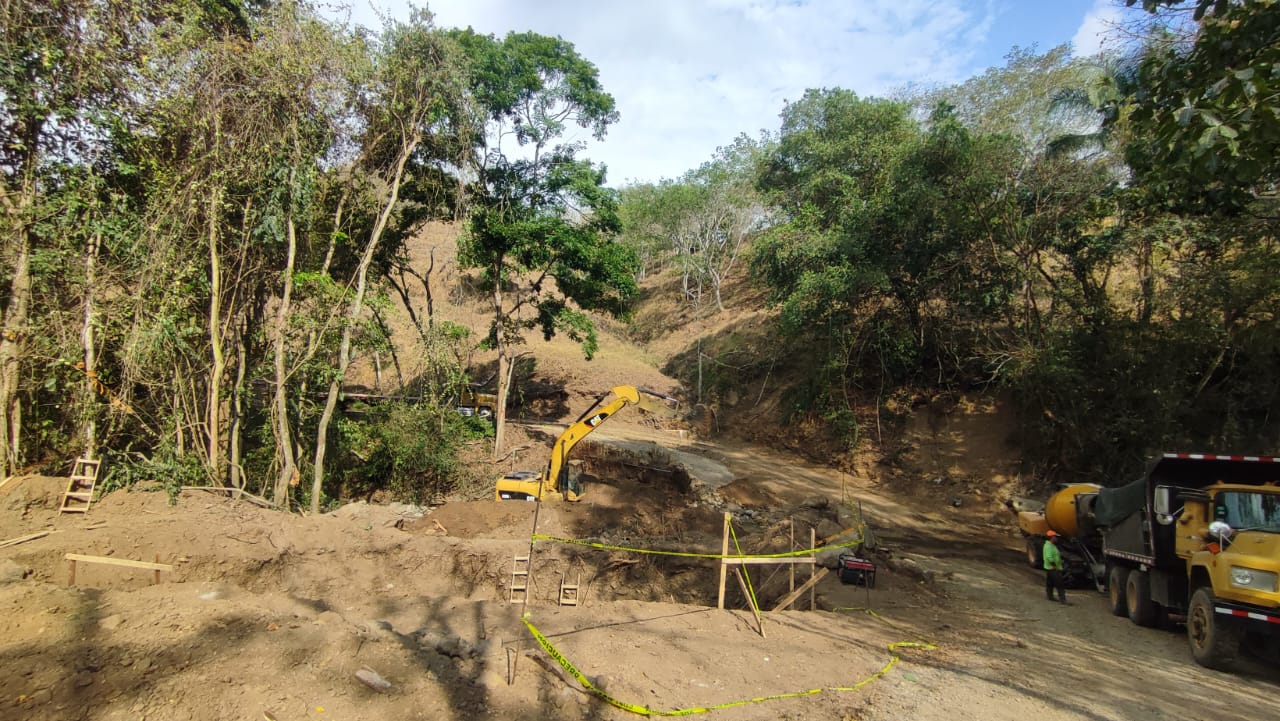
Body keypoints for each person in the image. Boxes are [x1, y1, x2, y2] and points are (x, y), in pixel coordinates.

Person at [1043, 530, 1068, 604]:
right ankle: (1062, 600)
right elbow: (1049, 557)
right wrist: (1055, 566)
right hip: (1053, 568)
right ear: (1052, 537)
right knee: (1059, 584)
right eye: (1055, 537)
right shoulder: (1048, 546)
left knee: (1050, 583)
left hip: (1050, 568)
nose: (1057, 538)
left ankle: (1050, 596)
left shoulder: (1051, 545)